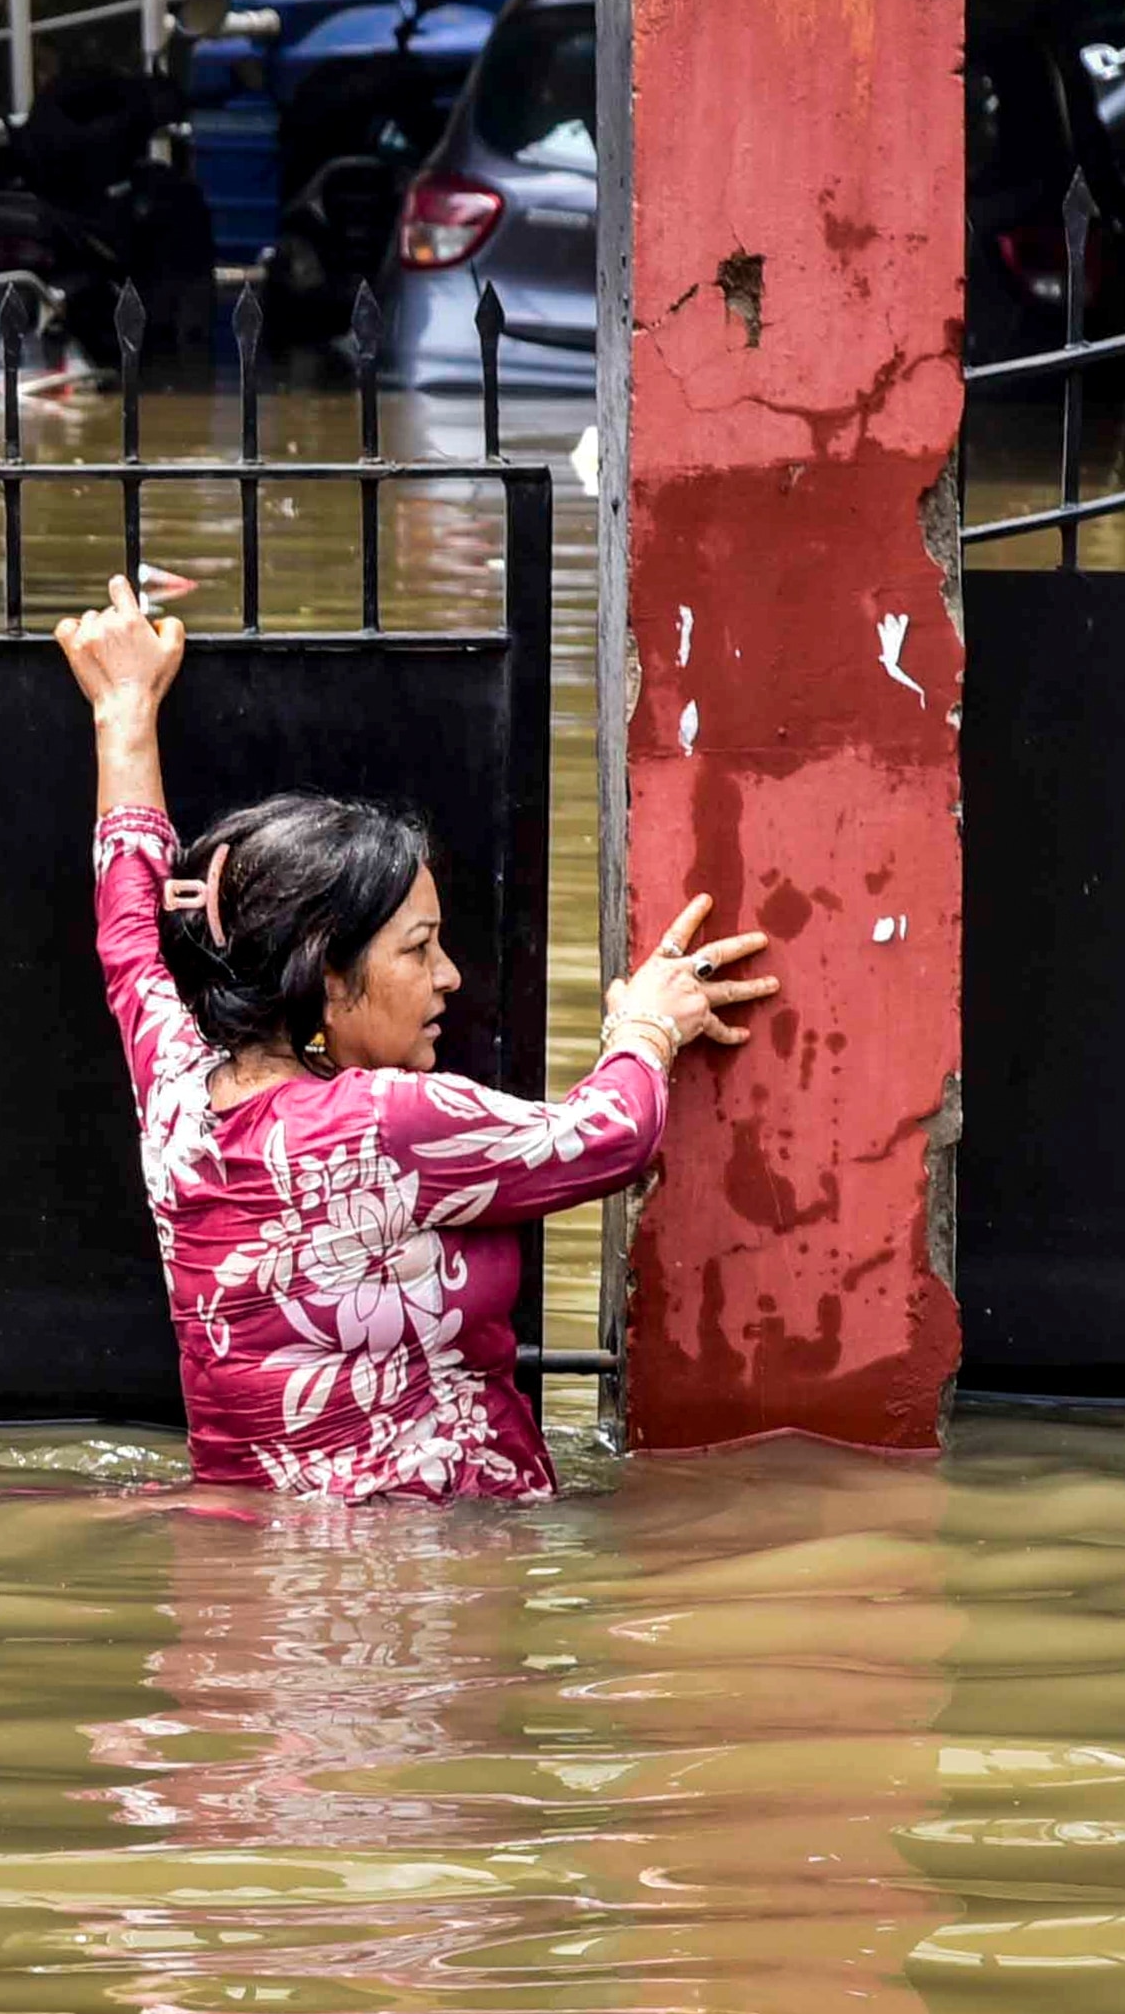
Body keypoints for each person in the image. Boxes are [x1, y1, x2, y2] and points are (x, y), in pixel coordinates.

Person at [54, 572, 777, 1500]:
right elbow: (610, 1139)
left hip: (245, 1578)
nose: (449, 977)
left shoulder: (181, 1106)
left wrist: (123, 714)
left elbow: (130, 940)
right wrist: (646, 1024)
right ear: (328, 973)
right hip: (428, 1585)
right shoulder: (393, 1120)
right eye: (420, 947)